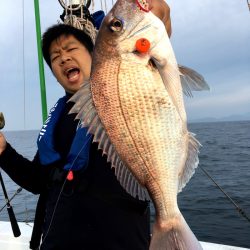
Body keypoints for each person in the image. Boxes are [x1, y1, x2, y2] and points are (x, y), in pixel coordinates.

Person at [0, 2, 171, 250]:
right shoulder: (58, 119)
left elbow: (155, 36)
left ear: (94, 53)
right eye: (55, 58)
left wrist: (153, 14)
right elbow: (37, 181)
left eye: (71, 49)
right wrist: (4, 152)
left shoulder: (125, 90)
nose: (63, 58)